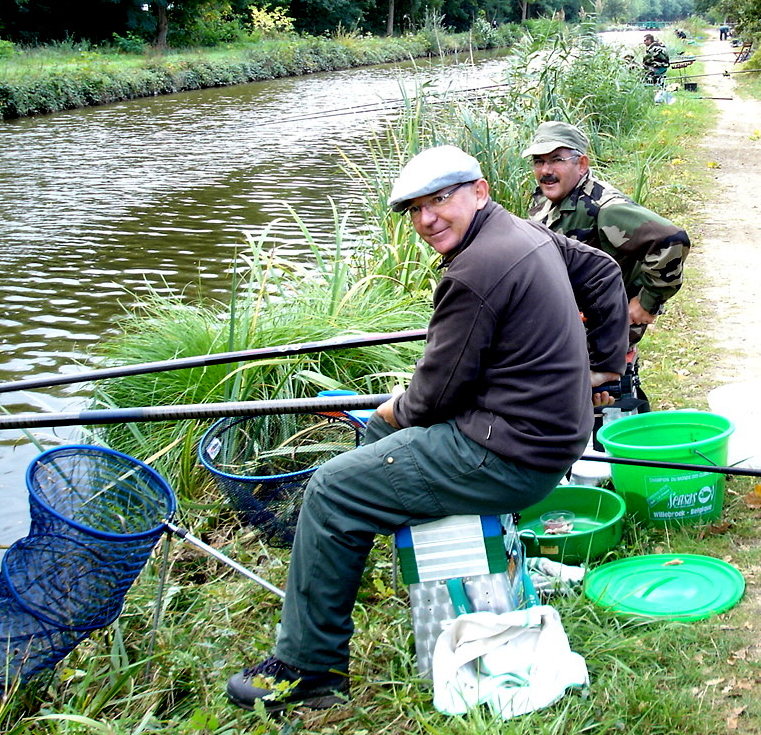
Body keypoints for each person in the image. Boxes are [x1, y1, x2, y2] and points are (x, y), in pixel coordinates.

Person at [226, 145, 629, 714]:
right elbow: (603, 271)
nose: (428, 220)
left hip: (508, 454)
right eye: (416, 209)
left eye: (441, 200)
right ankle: (359, 571)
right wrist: (605, 364)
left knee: (331, 490)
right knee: (369, 463)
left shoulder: (475, 271)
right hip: (551, 438)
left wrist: (390, 411)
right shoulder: (521, 232)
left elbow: (432, 396)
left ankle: (308, 669)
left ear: (479, 191)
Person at [524, 121, 690, 349]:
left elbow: (672, 240)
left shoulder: (605, 208)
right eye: (539, 161)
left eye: (556, 160)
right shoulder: (547, 199)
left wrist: (646, 302)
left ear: (581, 164)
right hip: (564, 327)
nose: (546, 171)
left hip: (598, 336)